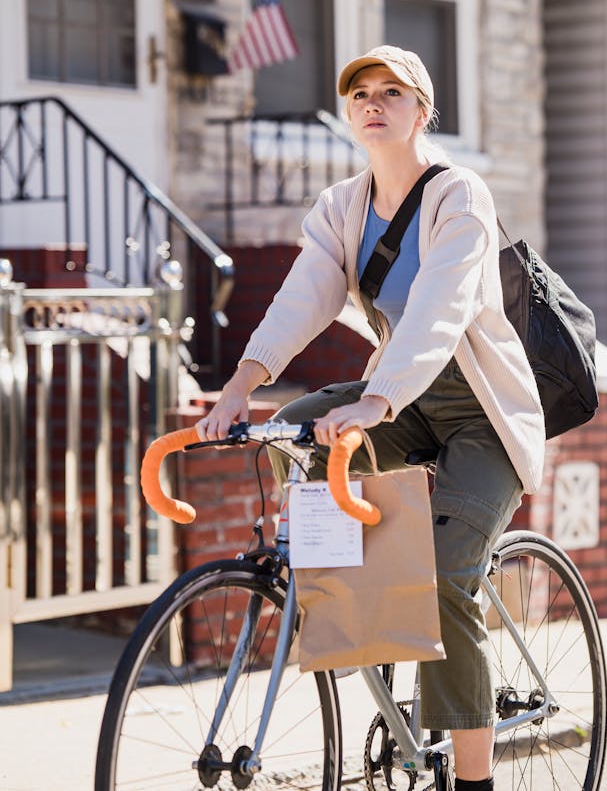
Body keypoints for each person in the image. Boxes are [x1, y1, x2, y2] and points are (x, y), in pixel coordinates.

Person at [196, 45, 545, 791]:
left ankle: (475, 781)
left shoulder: (459, 195)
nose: (374, 103)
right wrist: (239, 384)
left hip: (481, 410)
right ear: (350, 113)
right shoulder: (341, 207)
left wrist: (374, 399)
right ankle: (378, 629)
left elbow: (439, 312)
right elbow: (302, 298)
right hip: (401, 398)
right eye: (360, 94)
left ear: (423, 111)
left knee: (450, 575)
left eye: (392, 91)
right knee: (296, 425)